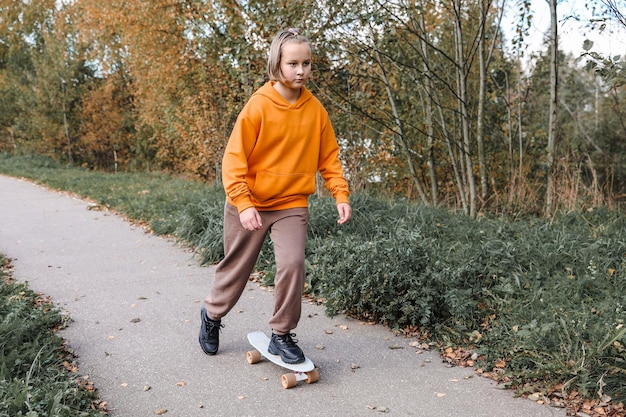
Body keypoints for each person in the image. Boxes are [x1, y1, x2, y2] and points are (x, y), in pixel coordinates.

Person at [199, 28, 352, 364]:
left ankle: (281, 334)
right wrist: (243, 203)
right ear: (277, 64)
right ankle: (211, 315)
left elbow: (329, 157)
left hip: (291, 203)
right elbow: (233, 159)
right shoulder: (258, 106)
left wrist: (340, 193)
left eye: (307, 63)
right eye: (293, 63)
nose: (301, 70)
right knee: (236, 268)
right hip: (250, 201)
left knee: (293, 263)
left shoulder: (315, 111)